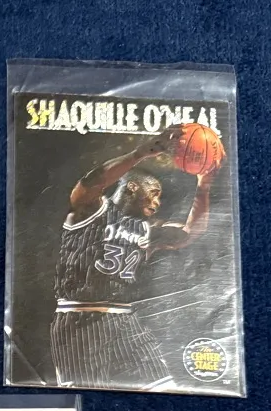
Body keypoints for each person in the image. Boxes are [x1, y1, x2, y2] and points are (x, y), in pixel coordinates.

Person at [50, 125, 220, 389]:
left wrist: (204, 185)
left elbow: (189, 233)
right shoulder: (91, 209)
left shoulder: (148, 228)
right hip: (80, 319)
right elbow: (91, 182)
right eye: (154, 194)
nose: (158, 203)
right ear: (132, 187)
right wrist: (138, 154)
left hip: (125, 320)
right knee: (88, 397)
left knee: (165, 389)